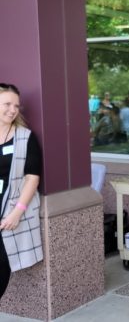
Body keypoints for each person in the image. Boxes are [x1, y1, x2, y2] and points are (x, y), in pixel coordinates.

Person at [0, 83, 43, 299]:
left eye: (16, 105)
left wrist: (17, 212)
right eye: (7, 104)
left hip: (7, 211)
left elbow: (32, 178)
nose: (13, 109)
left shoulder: (25, 137)